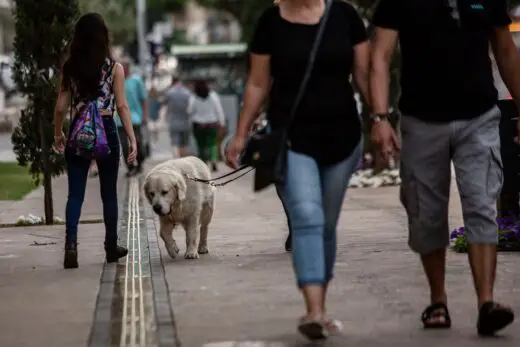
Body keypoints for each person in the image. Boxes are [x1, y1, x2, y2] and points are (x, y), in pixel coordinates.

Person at [370, 0, 520, 336]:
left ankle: (487, 303)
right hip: (421, 121)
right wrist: (380, 117)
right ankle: (438, 300)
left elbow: (506, 51)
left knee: (482, 205)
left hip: (479, 116)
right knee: (426, 214)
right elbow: (380, 56)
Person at [225, 0, 370, 340]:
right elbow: (258, 83)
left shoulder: (345, 16)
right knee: (306, 216)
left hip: (343, 138)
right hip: (292, 140)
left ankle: (321, 299)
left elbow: (365, 73)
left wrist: (381, 120)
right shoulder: (270, 22)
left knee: (326, 225)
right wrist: (241, 134)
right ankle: (314, 311)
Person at [53, 12, 137, 269]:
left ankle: (71, 246)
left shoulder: (70, 68)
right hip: (107, 129)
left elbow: (59, 108)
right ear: (104, 37)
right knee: (109, 194)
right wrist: (132, 140)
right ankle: (111, 247)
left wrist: (59, 134)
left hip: (79, 131)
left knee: (75, 194)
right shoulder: (115, 68)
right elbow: (122, 106)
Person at [115, 60, 148, 176]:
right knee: (124, 146)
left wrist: (144, 115)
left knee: (137, 143)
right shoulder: (115, 81)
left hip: (135, 118)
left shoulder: (136, 81)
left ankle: (139, 164)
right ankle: (130, 167)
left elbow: (144, 99)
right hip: (120, 120)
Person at [189, 79, 225, 172]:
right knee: (213, 144)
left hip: (198, 125)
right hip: (212, 124)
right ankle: (213, 160)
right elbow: (219, 110)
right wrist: (222, 123)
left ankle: (203, 163)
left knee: (201, 146)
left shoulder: (194, 97)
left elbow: (189, 110)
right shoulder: (213, 96)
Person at [164, 76, 192, 158]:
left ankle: (176, 158)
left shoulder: (169, 92)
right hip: (185, 121)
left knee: (174, 142)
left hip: (173, 120)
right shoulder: (187, 93)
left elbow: (165, 104)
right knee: (183, 143)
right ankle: (182, 158)